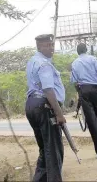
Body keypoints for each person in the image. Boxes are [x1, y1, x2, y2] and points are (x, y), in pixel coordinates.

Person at [25, 34, 66, 182]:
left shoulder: (32, 61)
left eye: (52, 45)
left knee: (45, 150)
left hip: (32, 105)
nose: (51, 48)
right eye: (47, 45)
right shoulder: (44, 64)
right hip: (44, 106)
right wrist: (59, 113)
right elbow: (48, 89)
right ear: (39, 47)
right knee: (54, 151)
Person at [70, 43, 97, 159]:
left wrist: (80, 94)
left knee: (92, 122)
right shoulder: (93, 59)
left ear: (78, 52)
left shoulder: (75, 63)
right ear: (86, 49)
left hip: (84, 90)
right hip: (95, 90)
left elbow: (74, 82)